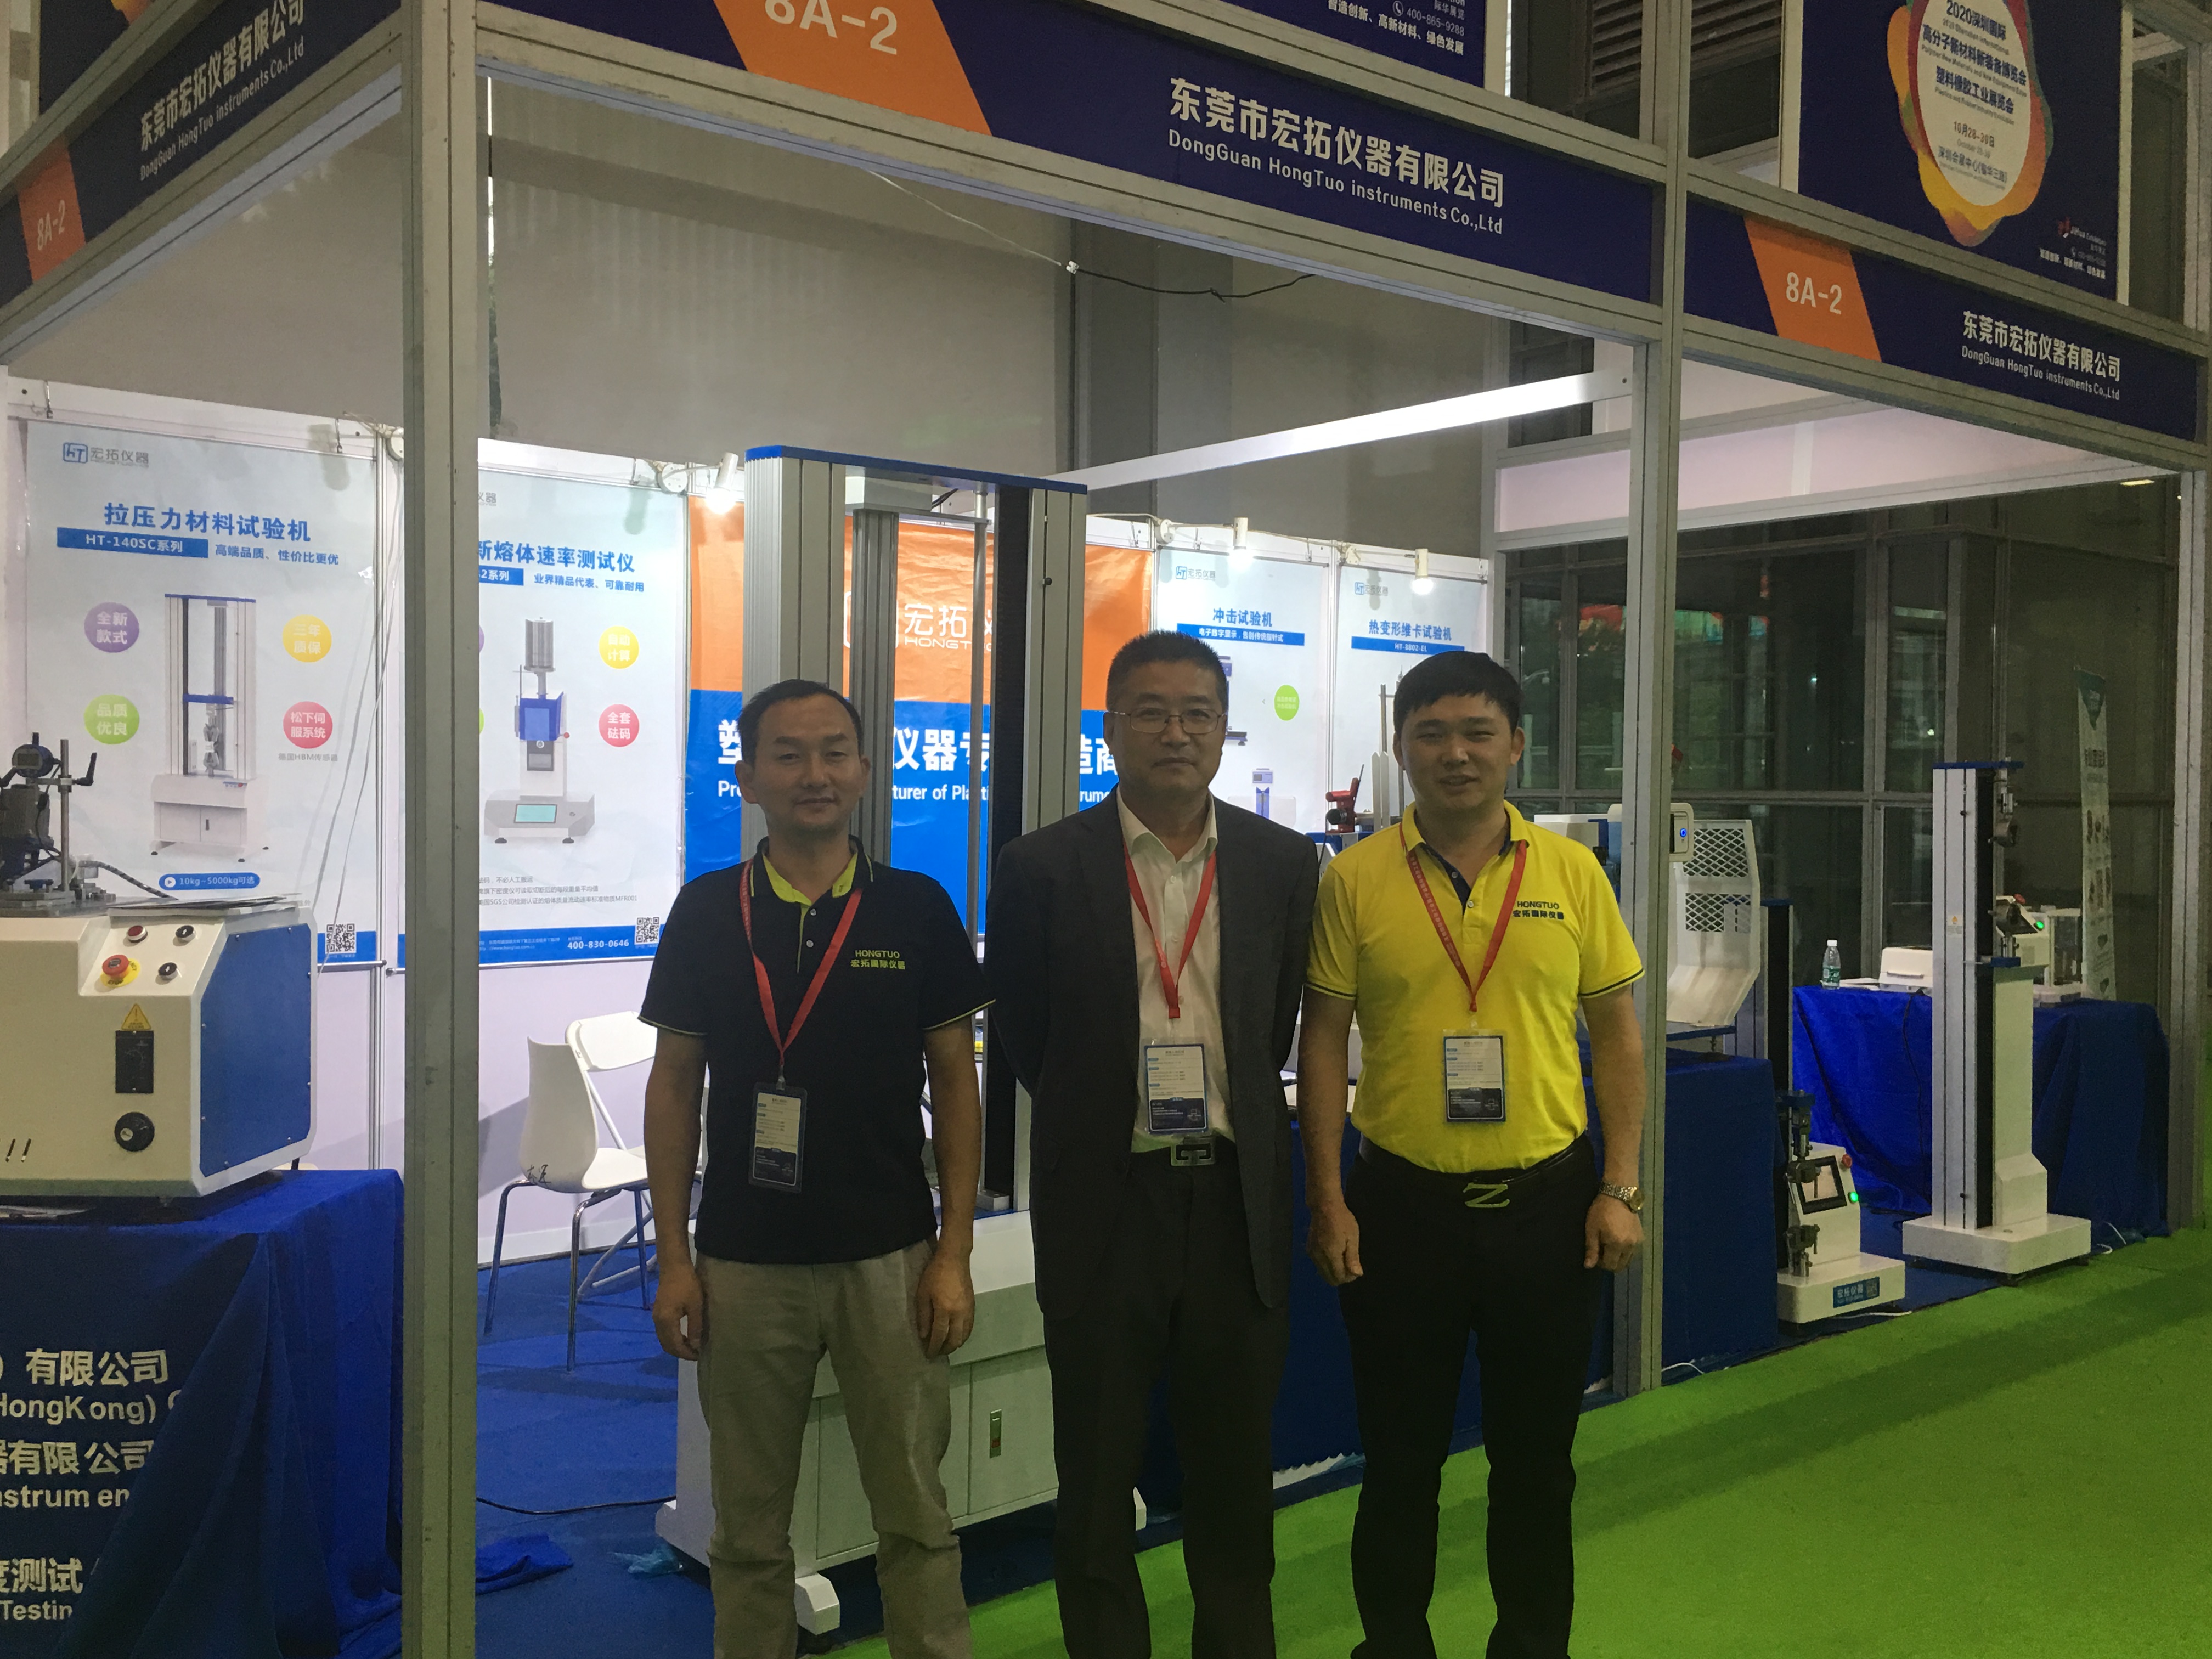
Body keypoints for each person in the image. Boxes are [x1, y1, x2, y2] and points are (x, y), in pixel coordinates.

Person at [1297, 650, 1647, 1659]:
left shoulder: (1572, 873)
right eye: (1433, 734)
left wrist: (1620, 1187)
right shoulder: (1355, 877)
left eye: (1478, 733)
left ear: (1516, 746)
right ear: (1402, 748)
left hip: (1549, 1209)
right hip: (1400, 1211)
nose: (1456, 754)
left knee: (1536, 1466)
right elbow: (1323, 1041)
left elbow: (1618, 1036)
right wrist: (1329, 1198)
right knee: (1399, 1463)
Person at [638, 678, 989, 1659]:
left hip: (892, 1258)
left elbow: (957, 1087)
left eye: (835, 751)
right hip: (744, 1263)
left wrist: (954, 1254)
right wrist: (675, 1259)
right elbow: (674, 1086)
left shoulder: (916, 908)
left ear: (865, 771)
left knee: (916, 1516)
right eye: (787, 754)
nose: (814, 773)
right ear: (748, 777)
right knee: (748, 1532)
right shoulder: (707, 911)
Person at [987, 631, 1319, 1659]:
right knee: (1094, 1476)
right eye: (1152, 712)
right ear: (1111, 728)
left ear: (1222, 730)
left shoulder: (1281, 862)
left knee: (1235, 1470)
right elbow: (1028, 1035)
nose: (1177, 732)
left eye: (1197, 713)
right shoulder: (1040, 866)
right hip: (1106, 1199)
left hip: (1235, 1200)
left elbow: (1272, 1029)